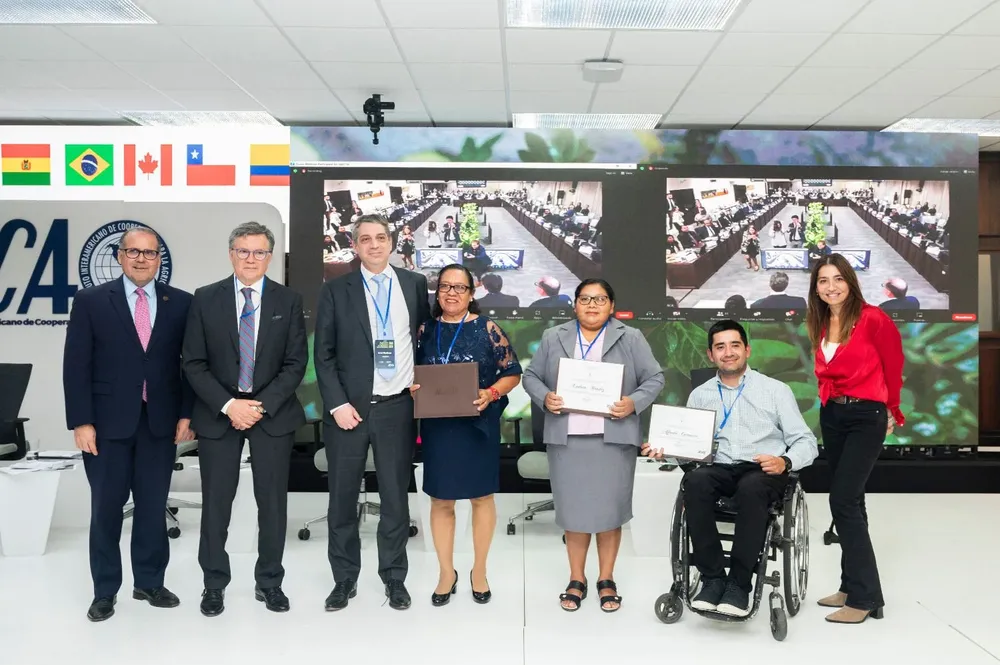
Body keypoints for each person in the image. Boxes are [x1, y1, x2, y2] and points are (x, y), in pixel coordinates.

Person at [642, 320, 818, 617]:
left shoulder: (775, 390)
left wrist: (784, 462)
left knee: (752, 489)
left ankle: (739, 585)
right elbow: (693, 448)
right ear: (710, 355)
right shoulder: (701, 394)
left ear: (746, 350)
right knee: (695, 483)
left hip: (763, 468)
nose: (728, 353)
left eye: (734, 345)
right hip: (720, 466)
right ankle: (712, 579)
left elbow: (806, 442)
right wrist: (666, 452)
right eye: (720, 347)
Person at [63, 227, 194, 622]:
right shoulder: (90, 301)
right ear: (119, 256)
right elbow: (76, 365)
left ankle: (150, 582)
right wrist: (81, 421)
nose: (141, 259)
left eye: (149, 253)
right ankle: (105, 591)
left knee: (153, 508)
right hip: (106, 426)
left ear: (159, 259)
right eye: (133, 252)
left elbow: (189, 366)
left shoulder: (181, 303)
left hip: (160, 424)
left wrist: (187, 414)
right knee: (106, 509)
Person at [182, 222, 307, 617]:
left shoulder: (288, 300)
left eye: (258, 252)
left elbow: (295, 364)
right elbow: (194, 363)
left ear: (270, 256)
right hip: (219, 414)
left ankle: (270, 582)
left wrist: (259, 405)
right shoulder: (205, 298)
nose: (250, 259)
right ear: (231, 253)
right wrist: (229, 405)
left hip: (272, 414)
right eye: (242, 251)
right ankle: (214, 585)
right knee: (216, 505)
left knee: (271, 506)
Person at [522, 279, 664, 613]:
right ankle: (576, 578)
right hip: (567, 439)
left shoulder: (631, 337)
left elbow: (655, 378)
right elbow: (531, 377)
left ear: (611, 305)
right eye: (585, 299)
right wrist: (546, 397)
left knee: (609, 513)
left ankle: (606, 578)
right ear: (575, 304)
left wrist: (632, 403)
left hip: (613, 439)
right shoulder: (553, 337)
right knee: (573, 513)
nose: (592, 305)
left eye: (600, 299)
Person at [314, 214, 432, 612]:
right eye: (366, 239)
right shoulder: (336, 289)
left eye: (381, 238)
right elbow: (324, 354)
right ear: (355, 244)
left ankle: (394, 578)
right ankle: (344, 579)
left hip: (397, 407)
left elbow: (424, 341)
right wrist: (337, 404)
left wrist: (425, 382)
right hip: (349, 410)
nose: (375, 245)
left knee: (396, 500)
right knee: (343, 500)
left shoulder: (414, 285)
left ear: (393, 241)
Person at [410, 264, 522, 607]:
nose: (452, 293)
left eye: (460, 288)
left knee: (481, 498)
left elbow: (512, 373)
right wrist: (413, 388)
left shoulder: (487, 328)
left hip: (477, 426)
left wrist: (492, 393)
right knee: (441, 500)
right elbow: (407, 370)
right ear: (437, 291)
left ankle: (479, 570)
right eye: (445, 287)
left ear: (472, 294)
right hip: (439, 428)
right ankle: (446, 571)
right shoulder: (424, 330)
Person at [807, 254, 904, 624]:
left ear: (850, 281)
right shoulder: (820, 321)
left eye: (837, 279)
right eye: (823, 281)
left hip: (866, 416)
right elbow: (826, 371)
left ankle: (866, 599)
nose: (831, 287)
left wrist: (891, 410)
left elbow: (894, 366)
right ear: (815, 287)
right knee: (852, 502)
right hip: (833, 415)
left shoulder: (873, 318)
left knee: (842, 500)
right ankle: (849, 586)